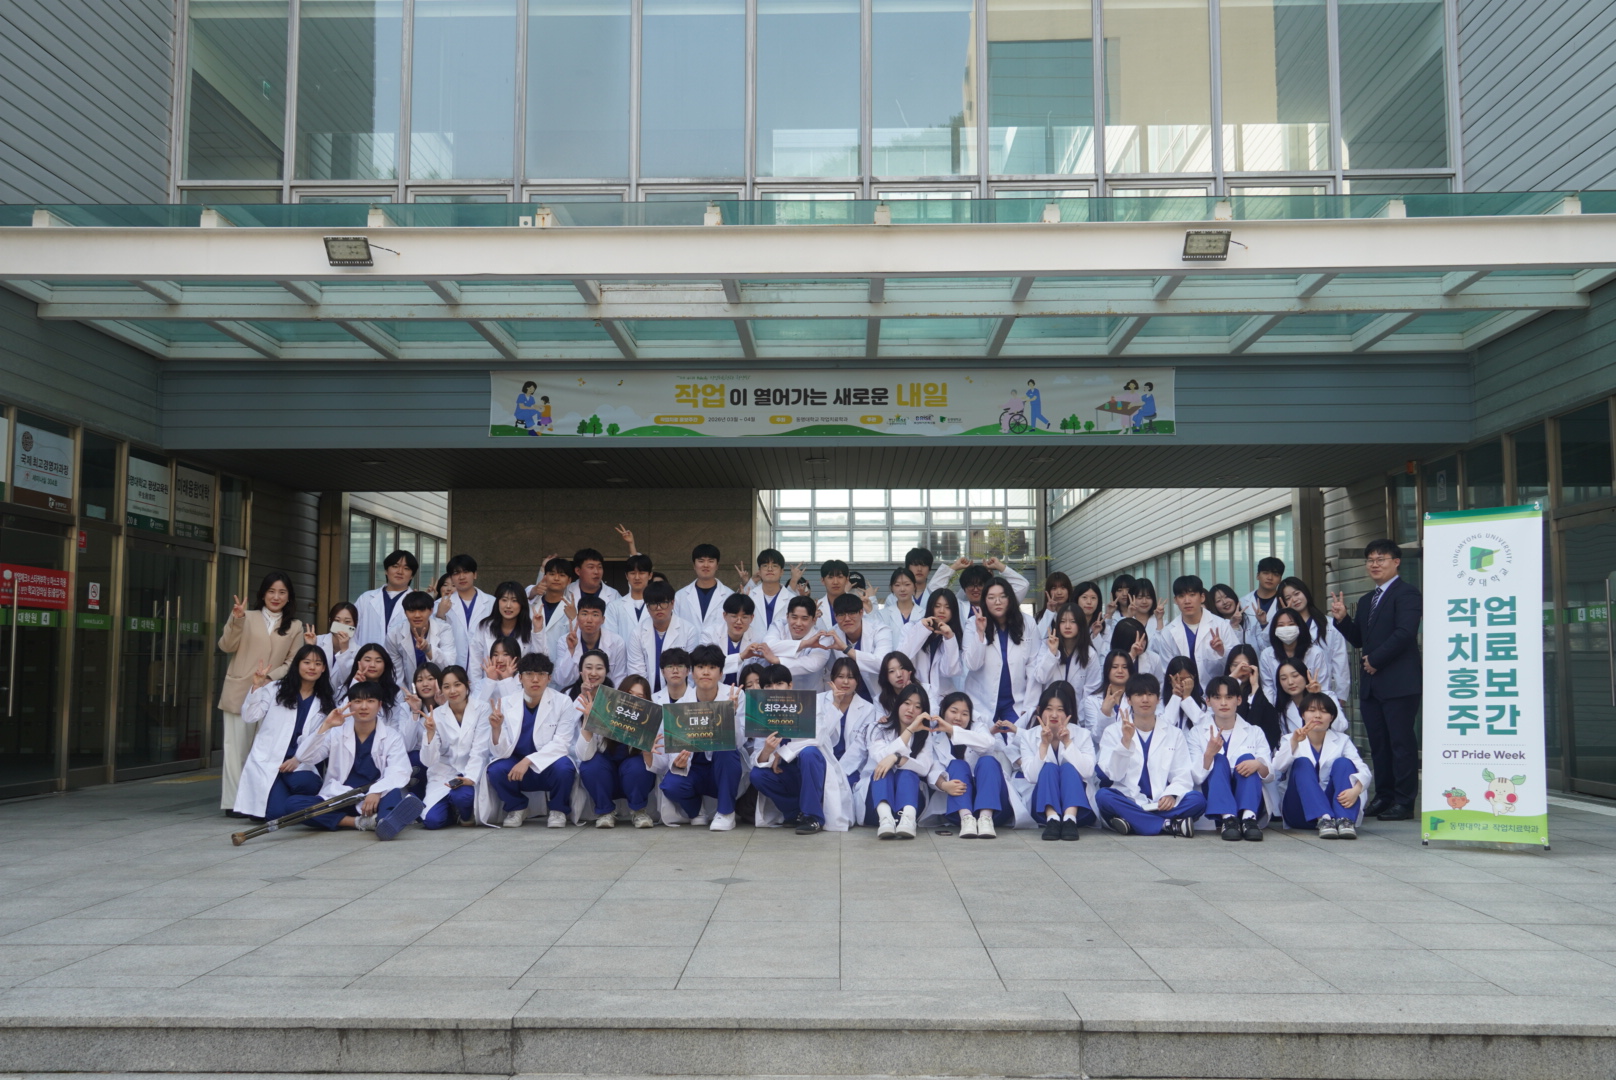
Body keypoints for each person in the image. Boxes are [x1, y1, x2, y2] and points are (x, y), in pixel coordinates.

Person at [1330, 540, 1422, 821]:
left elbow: (1405, 632)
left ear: (1396, 562)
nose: (1374, 564)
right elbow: (1360, 639)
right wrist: (1343, 620)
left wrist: (1376, 660)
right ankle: (1384, 796)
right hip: (1372, 686)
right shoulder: (1368, 599)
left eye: (1381, 559)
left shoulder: (1407, 593)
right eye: (1370, 560)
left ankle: (1404, 801)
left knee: (1401, 744)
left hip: (1399, 683)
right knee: (1379, 744)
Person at [286, 682, 424, 839]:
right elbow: (305, 757)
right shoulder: (336, 733)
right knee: (293, 805)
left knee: (393, 793)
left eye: (370, 701)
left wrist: (376, 791)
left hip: (375, 798)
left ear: (379, 705)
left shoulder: (391, 736)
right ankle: (363, 822)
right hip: (341, 797)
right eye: (358, 701)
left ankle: (385, 819)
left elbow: (399, 770)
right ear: (350, 705)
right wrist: (326, 726)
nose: (364, 707)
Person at [217, 571, 304, 815]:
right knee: (236, 750)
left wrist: (269, 678)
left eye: (282, 592)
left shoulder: (295, 626)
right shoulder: (246, 616)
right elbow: (226, 646)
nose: (276, 597)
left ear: (289, 597)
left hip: (272, 693)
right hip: (239, 690)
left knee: (264, 751)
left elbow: (293, 661)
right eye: (271, 591)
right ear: (263, 594)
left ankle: (260, 801)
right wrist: (236, 620)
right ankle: (234, 803)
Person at [1094, 674, 1208, 837]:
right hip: (1129, 799)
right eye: (1139, 695)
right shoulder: (1113, 732)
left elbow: (1182, 773)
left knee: (1197, 800)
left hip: (1162, 802)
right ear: (1129, 700)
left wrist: (1172, 794)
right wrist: (1125, 743)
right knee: (1104, 797)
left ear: (1158, 699)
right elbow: (1114, 775)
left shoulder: (1174, 733)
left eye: (1150, 694)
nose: (1145, 700)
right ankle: (1168, 824)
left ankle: (1133, 822)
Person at [233, 643, 335, 821]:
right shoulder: (275, 689)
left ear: (324, 669)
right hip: (270, 759)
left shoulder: (325, 699)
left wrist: (298, 759)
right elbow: (250, 716)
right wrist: (256, 687)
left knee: (309, 784)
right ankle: (279, 797)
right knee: (276, 815)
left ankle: (284, 798)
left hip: (299, 762)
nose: (312, 667)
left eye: (318, 663)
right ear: (297, 665)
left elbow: (320, 737)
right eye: (307, 662)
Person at [749, 664, 854, 834]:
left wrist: (781, 752)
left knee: (809, 753)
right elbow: (757, 757)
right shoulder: (761, 713)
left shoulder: (808, 704)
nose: (774, 689)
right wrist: (767, 751)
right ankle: (794, 812)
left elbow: (817, 737)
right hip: (784, 773)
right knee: (757, 775)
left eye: (779, 684)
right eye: (768, 685)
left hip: (811, 769)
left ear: (790, 685)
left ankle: (812, 817)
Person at [478, 651, 577, 829]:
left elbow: (561, 744)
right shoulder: (506, 703)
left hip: (547, 765)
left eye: (541, 674)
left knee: (565, 767)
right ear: (520, 678)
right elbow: (500, 752)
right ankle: (517, 807)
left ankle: (558, 809)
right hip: (516, 765)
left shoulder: (563, 702)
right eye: (529, 674)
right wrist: (496, 729)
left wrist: (528, 760)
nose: (535, 679)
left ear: (549, 678)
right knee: (496, 769)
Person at [658, 644, 745, 830]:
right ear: (692, 672)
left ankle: (726, 813)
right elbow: (673, 749)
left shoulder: (735, 696)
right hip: (695, 769)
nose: (706, 672)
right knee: (671, 786)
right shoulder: (681, 705)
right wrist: (678, 763)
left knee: (726, 747)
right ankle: (696, 811)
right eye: (700, 667)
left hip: (723, 768)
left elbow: (739, 743)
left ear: (721, 673)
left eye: (712, 667)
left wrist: (730, 715)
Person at [573, 656, 657, 830]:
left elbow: (657, 766)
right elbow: (584, 756)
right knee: (591, 765)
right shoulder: (604, 711)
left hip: (632, 777)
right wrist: (589, 720)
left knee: (638, 765)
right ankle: (605, 812)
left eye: (640, 697)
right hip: (606, 776)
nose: (633, 701)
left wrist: (647, 751)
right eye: (629, 695)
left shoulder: (651, 722)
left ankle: (638, 811)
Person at [1272, 692, 1369, 839]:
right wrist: (1294, 742)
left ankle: (1345, 820)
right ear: (1303, 715)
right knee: (1302, 763)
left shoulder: (1343, 740)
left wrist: (1356, 790)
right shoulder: (1290, 739)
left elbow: (1363, 769)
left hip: (1335, 810)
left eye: (1324, 711)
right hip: (1300, 811)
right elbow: (1277, 767)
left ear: (1331, 717)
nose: (1317, 716)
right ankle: (1323, 818)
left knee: (1344, 763)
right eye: (1312, 710)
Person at [1187, 676, 1272, 841]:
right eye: (1217, 697)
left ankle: (1248, 819)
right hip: (1214, 798)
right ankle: (1228, 819)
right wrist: (1209, 754)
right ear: (1208, 701)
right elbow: (1196, 777)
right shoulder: (1196, 733)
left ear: (1239, 700)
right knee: (1218, 760)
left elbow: (1269, 775)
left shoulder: (1255, 731)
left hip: (1249, 796)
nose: (1223, 703)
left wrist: (1258, 764)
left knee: (1248, 758)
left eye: (1229, 697)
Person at [933, 690, 1022, 838]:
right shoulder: (934, 738)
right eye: (953, 711)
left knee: (988, 760)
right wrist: (944, 785)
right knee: (957, 765)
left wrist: (953, 730)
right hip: (957, 809)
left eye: (964, 714)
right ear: (943, 712)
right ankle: (966, 819)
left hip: (996, 810)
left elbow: (988, 744)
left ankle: (985, 818)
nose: (958, 718)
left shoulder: (978, 728)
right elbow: (931, 769)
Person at [862, 683, 943, 839]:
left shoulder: (925, 735)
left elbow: (924, 768)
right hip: (875, 807)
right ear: (898, 704)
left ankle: (908, 820)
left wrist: (897, 758)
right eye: (907, 703)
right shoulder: (877, 728)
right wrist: (909, 730)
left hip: (909, 804)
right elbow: (881, 758)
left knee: (907, 773)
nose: (911, 710)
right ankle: (885, 819)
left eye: (917, 707)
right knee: (883, 771)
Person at [1019, 681, 1097, 840]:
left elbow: (1088, 772)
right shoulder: (1028, 736)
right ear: (1039, 711)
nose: (1054, 715)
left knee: (1068, 768)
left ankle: (1070, 819)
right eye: (1049, 709)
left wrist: (1068, 743)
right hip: (1042, 810)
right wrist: (1043, 744)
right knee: (1048, 768)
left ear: (1068, 713)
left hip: (1080, 811)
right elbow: (1032, 777)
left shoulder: (1082, 734)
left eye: (1060, 710)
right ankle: (1052, 819)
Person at [962, 576, 1038, 731]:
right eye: (991, 597)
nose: (997, 602)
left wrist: (1029, 706)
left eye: (1002, 596)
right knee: (986, 742)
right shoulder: (972, 623)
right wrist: (980, 633)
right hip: (981, 702)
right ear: (984, 601)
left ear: (1010, 599)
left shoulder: (1027, 623)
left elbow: (1033, 666)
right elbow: (972, 665)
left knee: (1016, 742)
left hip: (1016, 703)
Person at [420, 665, 483, 829]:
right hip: (444, 774)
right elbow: (428, 761)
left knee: (463, 797)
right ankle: (452, 812)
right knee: (432, 822)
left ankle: (464, 813)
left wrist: (470, 777)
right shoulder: (436, 716)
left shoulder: (482, 709)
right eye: (446, 687)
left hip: (470, 772)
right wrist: (430, 733)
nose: (452, 691)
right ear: (441, 690)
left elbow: (480, 750)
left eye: (457, 685)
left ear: (467, 685)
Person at [1280, 576, 1350, 700]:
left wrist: (1341, 696)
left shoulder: (1330, 625)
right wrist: (1286, 618)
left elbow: (1340, 662)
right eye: (1288, 598)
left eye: (1297, 593)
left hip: (1323, 691)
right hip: (1290, 694)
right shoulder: (1281, 629)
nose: (1294, 600)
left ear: (1305, 592)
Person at [469, 581, 540, 703]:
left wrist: (538, 631)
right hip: (488, 691)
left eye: (514, 601)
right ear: (497, 602)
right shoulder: (484, 627)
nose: (508, 606)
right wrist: (478, 693)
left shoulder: (530, 628)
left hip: (518, 689)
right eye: (504, 600)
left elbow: (539, 659)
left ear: (522, 604)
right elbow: (475, 664)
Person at [628, 580, 701, 695]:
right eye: (653, 604)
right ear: (647, 607)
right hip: (647, 696)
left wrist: (681, 697)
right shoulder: (637, 633)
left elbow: (691, 671)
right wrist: (647, 698)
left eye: (663, 602)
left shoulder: (688, 630)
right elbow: (637, 672)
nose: (659, 608)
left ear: (672, 603)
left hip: (680, 695)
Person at [1153, 575, 1232, 679]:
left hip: (1216, 688)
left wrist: (1221, 651)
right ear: (1175, 600)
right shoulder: (1168, 632)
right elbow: (1167, 671)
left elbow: (1236, 661)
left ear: (1202, 597)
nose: (1187, 601)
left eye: (1192, 595)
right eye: (1181, 596)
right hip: (1181, 688)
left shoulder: (1222, 625)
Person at [822, 591, 894, 701]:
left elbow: (882, 664)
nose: (847, 619)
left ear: (861, 613)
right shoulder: (832, 634)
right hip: (847, 698)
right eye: (841, 614)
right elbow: (830, 671)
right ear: (835, 617)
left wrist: (846, 649)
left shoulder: (880, 630)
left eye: (852, 613)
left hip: (880, 695)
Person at [753, 594, 831, 692]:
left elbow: (813, 664)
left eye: (804, 618)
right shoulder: (778, 625)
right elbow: (768, 647)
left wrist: (777, 660)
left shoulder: (822, 637)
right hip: (777, 695)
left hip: (810, 695)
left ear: (814, 620)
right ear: (787, 616)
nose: (798, 623)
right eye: (794, 617)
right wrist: (805, 643)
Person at [899, 589, 963, 702]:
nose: (942, 611)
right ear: (930, 607)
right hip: (916, 694)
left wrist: (949, 638)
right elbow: (902, 658)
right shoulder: (912, 627)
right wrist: (922, 629)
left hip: (943, 697)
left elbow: (949, 671)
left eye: (947, 607)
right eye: (937, 606)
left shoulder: (955, 635)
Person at [554, 594, 628, 688]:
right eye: (584, 614)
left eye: (595, 615)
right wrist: (571, 650)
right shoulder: (564, 641)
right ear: (577, 618)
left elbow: (618, 679)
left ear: (603, 619)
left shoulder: (617, 642)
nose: (589, 620)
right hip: (573, 693)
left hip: (604, 694)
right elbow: (561, 680)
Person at [1028, 601, 1100, 698]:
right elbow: (1041, 677)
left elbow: (1092, 690)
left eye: (1073, 621)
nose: (1067, 626)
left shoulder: (1090, 653)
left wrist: (1079, 709)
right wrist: (1052, 653)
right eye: (1062, 621)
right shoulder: (1046, 645)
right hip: (1050, 705)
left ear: (1081, 624)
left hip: (1078, 706)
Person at [387, 590, 454, 692]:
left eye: (422, 610)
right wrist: (407, 697)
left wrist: (428, 649)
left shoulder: (444, 629)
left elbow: (449, 666)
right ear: (405, 612)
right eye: (411, 611)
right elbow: (396, 674)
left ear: (431, 611)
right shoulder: (394, 634)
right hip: (411, 690)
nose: (417, 615)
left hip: (440, 690)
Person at [1258, 609, 1328, 706]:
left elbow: (1323, 686)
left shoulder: (1315, 653)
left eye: (1291, 624)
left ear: (1300, 627)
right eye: (1281, 625)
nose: (1286, 628)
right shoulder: (1267, 655)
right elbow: (1268, 688)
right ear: (1274, 630)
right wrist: (1271, 710)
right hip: (1280, 707)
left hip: (1311, 705)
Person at [436, 554, 494, 670]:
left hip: (485, 668)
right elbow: (434, 638)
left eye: (466, 572)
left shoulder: (492, 603)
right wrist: (440, 615)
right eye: (456, 573)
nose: (461, 577)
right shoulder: (438, 605)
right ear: (451, 577)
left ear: (475, 574)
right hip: (451, 669)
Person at [355, 549, 417, 649]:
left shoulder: (417, 602)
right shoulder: (365, 598)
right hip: (367, 656)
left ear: (412, 575)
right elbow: (352, 630)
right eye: (395, 566)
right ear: (386, 571)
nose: (400, 572)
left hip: (401, 658)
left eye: (406, 568)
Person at [675, 544, 735, 644]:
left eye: (711, 561)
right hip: (687, 650)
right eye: (701, 561)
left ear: (717, 565)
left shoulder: (729, 596)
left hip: (719, 650)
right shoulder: (680, 596)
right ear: (694, 565)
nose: (706, 565)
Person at [1080, 649, 1136, 741]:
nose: (1120, 671)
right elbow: (1095, 738)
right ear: (1107, 670)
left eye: (1125, 667)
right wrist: (1105, 713)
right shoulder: (1092, 700)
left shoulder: (1137, 698)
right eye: (1115, 667)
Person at [742, 548, 799, 637]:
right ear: (759, 571)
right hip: (753, 645)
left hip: (781, 645)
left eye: (774, 566)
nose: (770, 569)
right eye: (765, 565)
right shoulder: (748, 597)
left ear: (782, 572)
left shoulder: (792, 600)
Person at [606, 552, 656, 642]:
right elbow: (610, 638)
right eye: (632, 573)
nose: (637, 577)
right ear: (626, 576)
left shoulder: (660, 605)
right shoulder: (614, 606)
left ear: (650, 575)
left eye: (641, 573)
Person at [714, 593, 761, 683]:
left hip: (745, 689)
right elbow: (709, 666)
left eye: (744, 617)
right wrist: (741, 657)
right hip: (716, 689)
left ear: (752, 618)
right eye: (734, 616)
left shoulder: (758, 638)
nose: (739, 622)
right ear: (724, 615)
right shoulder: (710, 635)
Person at [311, 600, 359, 686]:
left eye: (347, 621)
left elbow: (350, 680)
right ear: (330, 621)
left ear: (355, 624)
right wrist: (311, 646)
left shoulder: (359, 651)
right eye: (337, 620)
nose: (342, 626)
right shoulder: (317, 641)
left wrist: (344, 649)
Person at [1241, 556, 1286, 636]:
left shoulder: (1285, 603)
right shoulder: (1243, 602)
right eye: (1266, 573)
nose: (1270, 578)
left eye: (1275, 574)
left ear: (1280, 579)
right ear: (1257, 576)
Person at [1160, 655, 1206, 731]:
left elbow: (1203, 726)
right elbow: (1165, 726)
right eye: (1179, 679)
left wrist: (1187, 697)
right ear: (1170, 679)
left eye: (1187, 679)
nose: (1183, 683)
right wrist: (1176, 697)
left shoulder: (1203, 704)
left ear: (1194, 678)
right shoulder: (1160, 704)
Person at [878, 567, 924, 635]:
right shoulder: (882, 615)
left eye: (907, 584)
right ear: (892, 588)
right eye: (897, 585)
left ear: (914, 586)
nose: (902, 589)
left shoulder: (924, 614)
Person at [1034, 572, 1073, 637]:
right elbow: (1038, 637)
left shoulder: (1077, 613)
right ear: (1048, 592)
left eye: (1063, 587)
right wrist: (1049, 612)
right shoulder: (1040, 616)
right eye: (1054, 588)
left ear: (1069, 590)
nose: (1059, 592)